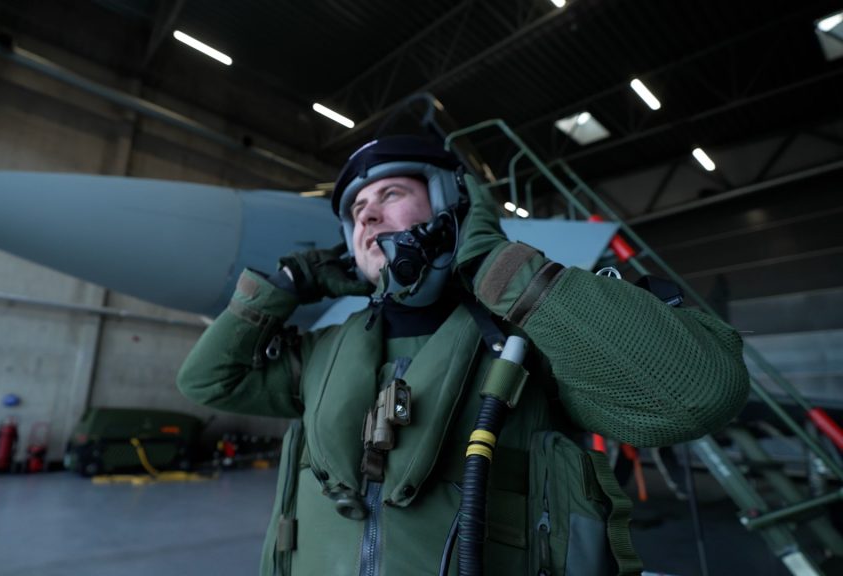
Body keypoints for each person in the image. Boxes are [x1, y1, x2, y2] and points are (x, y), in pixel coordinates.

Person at [177, 135, 750, 575]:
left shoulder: (530, 336)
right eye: (357, 213)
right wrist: (284, 284)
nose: (368, 217)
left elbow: (700, 395)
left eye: (391, 195)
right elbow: (207, 382)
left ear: (452, 204)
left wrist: (492, 263)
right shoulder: (326, 352)